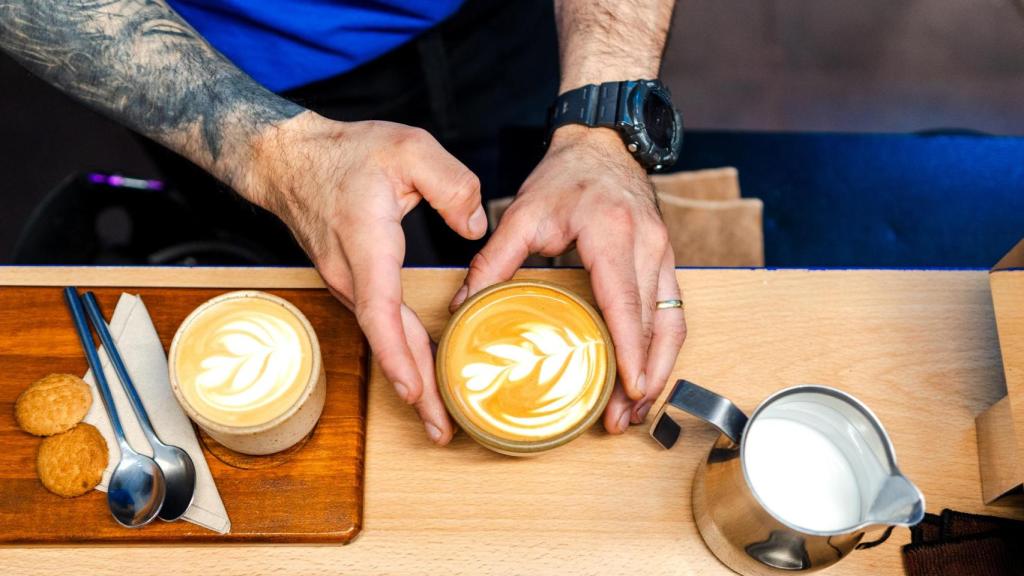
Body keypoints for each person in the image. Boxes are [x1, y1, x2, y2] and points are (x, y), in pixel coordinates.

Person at [0, 0, 687, 446]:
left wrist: (602, 121)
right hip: (224, 70)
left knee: (524, 232)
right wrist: (271, 154)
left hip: (510, 28)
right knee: (314, 299)